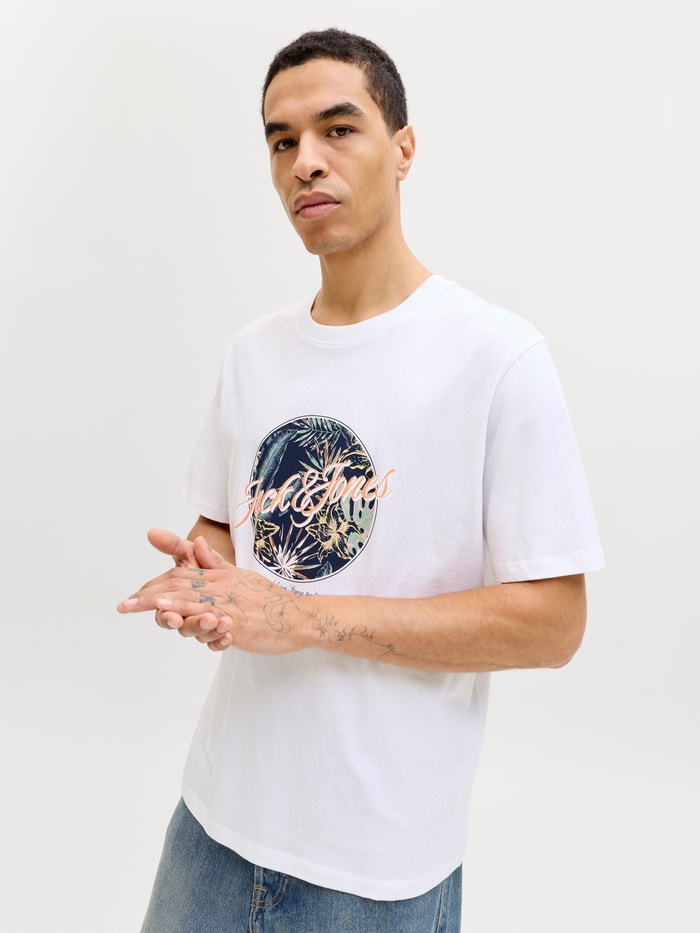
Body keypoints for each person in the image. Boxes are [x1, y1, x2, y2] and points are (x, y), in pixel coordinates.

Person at [118, 27, 604, 933]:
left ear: (404, 147)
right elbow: (226, 528)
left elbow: (555, 622)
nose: (305, 160)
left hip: (376, 867)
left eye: (338, 129)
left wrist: (302, 618)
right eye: (282, 141)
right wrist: (205, 576)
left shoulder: (496, 357)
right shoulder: (254, 353)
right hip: (213, 822)